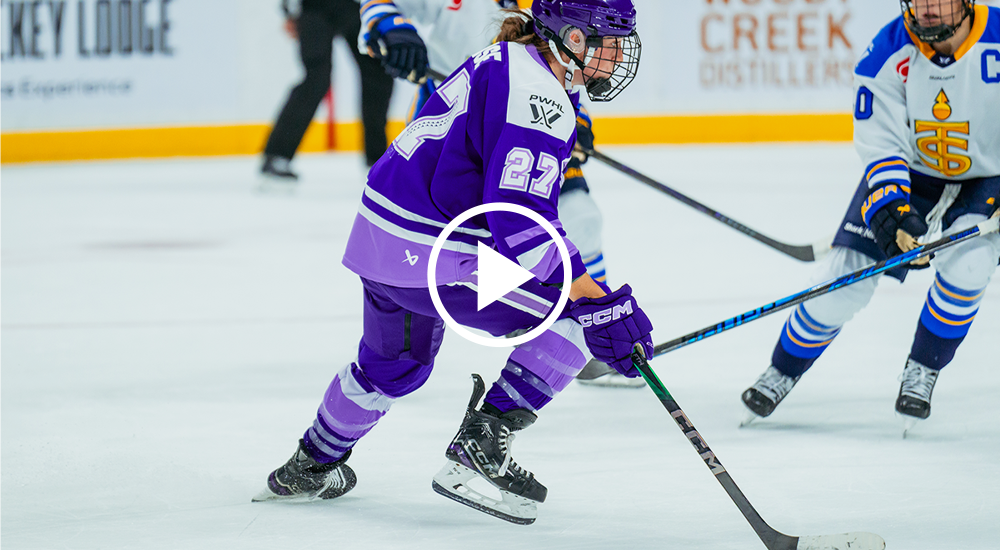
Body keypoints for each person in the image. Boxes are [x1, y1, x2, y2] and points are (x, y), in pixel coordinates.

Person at [252, 0, 650, 524]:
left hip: (380, 237)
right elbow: (521, 222)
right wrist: (593, 297)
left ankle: (310, 463)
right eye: (609, 41)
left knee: (391, 364)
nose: (618, 54)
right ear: (572, 39)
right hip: (433, 254)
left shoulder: (508, 56)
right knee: (580, 321)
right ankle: (479, 449)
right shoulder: (541, 97)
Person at [740, 0, 1000, 431]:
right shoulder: (887, 51)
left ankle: (923, 369)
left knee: (970, 267)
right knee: (842, 282)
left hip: (988, 179)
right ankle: (782, 370)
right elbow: (882, 145)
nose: (927, 9)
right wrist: (893, 209)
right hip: (911, 176)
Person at [359, 0, 641, 387]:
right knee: (515, 232)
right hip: (456, 137)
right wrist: (389, 24)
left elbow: (556, 65)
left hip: (531, 127)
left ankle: (585, 332)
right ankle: (575, 321)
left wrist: (576, 119)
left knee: (579, 216)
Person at [259, 0, 395, 185]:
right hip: (314, 7)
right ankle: (277, 155)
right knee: (316, 79)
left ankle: (377, 158)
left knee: (377, 74)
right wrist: (289, 12)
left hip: (357, 6)